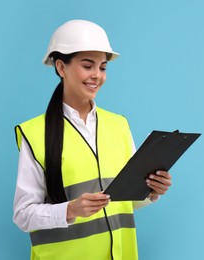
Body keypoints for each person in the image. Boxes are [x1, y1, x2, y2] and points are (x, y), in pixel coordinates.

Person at [13, 19, 172, 260]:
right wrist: (70, 209)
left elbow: (126, 201)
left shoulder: (118, 125)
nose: (97, 75)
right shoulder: (35, 134)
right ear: (61, 67)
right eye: (88, 66)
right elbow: (23, 215)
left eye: (103, 67)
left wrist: (151, 191)